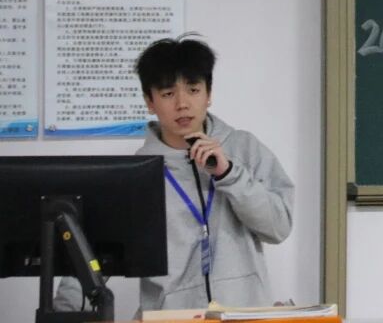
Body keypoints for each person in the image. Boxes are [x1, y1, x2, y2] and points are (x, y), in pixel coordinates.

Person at [55, 35, 294, 314]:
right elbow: (92, 255)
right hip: (169, 316)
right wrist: (64, 312)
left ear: (208, 94)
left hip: (241, 315)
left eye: (193, 90)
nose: (182, 104)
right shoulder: (136, 174)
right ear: (150, 102)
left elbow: (278, 227)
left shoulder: (245, 148)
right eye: (168, 94)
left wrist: (229, 174)